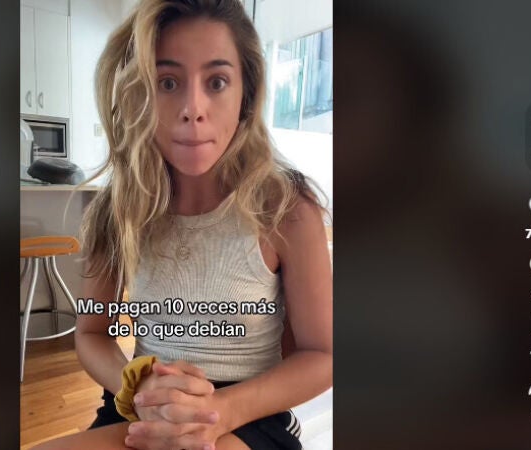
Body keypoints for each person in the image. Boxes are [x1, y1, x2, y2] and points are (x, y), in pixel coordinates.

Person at [36, 0, 332, 448]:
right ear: (140, 94)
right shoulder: (120, 207)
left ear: (246, 94)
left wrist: (220, 412)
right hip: (143, 403)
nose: (193, 108)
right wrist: (139, 390)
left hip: (250, 413)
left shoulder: (287, 208)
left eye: (217, 82)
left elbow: (323, 354)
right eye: (168, 82)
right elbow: (92, 333)